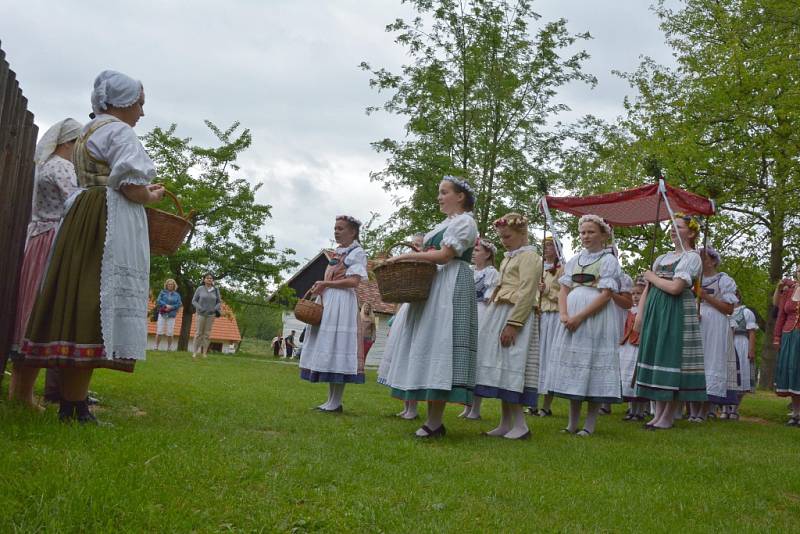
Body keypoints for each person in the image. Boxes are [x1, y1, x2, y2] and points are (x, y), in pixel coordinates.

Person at [20, 70, 165, 423]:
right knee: (96, 299)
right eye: (140, 104)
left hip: (83, 213)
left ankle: (73, 404)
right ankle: (75, 406)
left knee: (84, 296)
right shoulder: (118, 131)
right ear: (124, 102)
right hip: (107, 217)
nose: (142, 113)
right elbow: (130, 186)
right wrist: (150, 194)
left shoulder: (89, 131)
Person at [384, 176, 479, 438]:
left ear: (460, 196)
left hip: (451, 282)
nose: (439, 197)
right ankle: (432, 419)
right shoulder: (445, 224)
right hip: (435, 283)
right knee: (429, 342)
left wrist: (407, 255)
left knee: (442, 343)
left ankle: (435, 421)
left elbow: (446, 255)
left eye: (444, 192)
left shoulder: (465, 222)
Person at [8, 118, 82, 409]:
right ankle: (23, 394)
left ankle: (19, 391)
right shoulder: (62, 167)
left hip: (37, 238)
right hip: (51, 240)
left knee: (30, 309)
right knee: (38, 313)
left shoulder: (44, 165)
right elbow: (74, 202)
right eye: (78, 144)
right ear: (67, 143)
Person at [544, 214, 622, 437]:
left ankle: (589, 424)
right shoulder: (575, 259)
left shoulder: (608, 260)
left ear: (603, 234)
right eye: (583, 232)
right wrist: (565, 314)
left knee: (592, 362)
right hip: (571, 315)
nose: (586, 236)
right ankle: (571, 423)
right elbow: (564, 289)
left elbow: (606, 294)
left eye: (591, 232)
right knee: (575, 365)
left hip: (594, 318)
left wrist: (580, 317)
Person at [473, 213, 542, 439]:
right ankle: (505, 423)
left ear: (522, 234)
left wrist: (514, 324)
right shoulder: (508, 257)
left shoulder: (530, 256)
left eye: (508, 236)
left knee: (513, 364)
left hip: (515, 314)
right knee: (501, 365)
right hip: (500, 310)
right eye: (502, 237)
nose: (504, 241)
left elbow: (527, 291)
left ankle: (521, 425)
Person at [633, 213, 706, 430]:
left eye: (679, 227)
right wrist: (640, 314)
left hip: (676, 311)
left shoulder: (692, 257)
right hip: (657, 311)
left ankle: (668, 415)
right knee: (658, 355)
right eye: (672, 226)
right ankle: (658, 414)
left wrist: (652, 276)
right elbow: (648, 288)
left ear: (691, 232)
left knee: (671, 357)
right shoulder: (662, 258)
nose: (673, 230)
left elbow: (675, 288)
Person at [299, 215, 368, 412]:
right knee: (329, 347)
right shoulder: (338, 252)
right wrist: (320, 287)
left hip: (343, 303)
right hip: (329, 300)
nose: (336, 231)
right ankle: (331, 400)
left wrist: (327, 283)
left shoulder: (357, 253)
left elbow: (354, 282)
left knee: (339, 347)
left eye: (340, 228)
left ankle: (336, 401)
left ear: (352, 232)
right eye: (335, 228)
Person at [377, 233, 424, 420]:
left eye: (419, 244)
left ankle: (413, 407)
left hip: (419, 309)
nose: (414, 247)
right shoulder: (406, 268)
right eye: (413, 244)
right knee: (402, 356)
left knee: (411, 357)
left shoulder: (424, 266)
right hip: (406, 311)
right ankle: (406, 406)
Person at [696, 246, 738, 421]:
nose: (702, 262)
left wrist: (705, 297)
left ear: (713, 261)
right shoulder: (693, 279)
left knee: (710, 362)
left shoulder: (723, 280)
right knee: (695, 363)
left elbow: (728, 309)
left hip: (714, 324)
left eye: (705, 258)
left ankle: (704, 412)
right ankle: (692, 411)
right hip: (696, 321)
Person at [459, 236, 499, 419]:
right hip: (466, 311)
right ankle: (467, 405)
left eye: (477, 250)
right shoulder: (468, 271)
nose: (473, 254)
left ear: (488, 254)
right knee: (466, 358)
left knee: (478, 356)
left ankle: (475, 408)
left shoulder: (491, 273)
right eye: (473, 250)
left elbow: (489, 297)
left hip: (481, 313)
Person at [535, 236, 563, 418]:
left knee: (548, 357)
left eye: (550, 246)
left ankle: (546, 405)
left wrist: (547, 291)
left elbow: (564, 295)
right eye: (544, 246)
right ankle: (532, 402)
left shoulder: (562, 270)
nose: (546, 249)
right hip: (538, 314)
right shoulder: (538, 267)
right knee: (535, 358)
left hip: (553, 315)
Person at [772, 267, 800, 426]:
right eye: (799, 270)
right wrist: (777, 337)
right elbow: (780, 313)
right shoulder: (789, 291)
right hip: (789, 335)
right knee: (791, 371)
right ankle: (796, 413)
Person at [619, 276, 647, 420]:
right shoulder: (629, 310)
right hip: (628, 345)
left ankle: (640, 411)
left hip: (639, 346)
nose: (635, 297)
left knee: (637, 376)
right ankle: (631, 409)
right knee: (628, 375)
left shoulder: (646, 311)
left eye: (639, 294)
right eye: (634, 293)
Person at [727, 291, 757, 420]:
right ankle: (725, 409)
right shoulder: (724, 310)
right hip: (727, 343)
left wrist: (751, 350)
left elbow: (751, 332)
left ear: (738, 296)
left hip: (741, 344)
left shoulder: (746, 312)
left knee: (741, 376)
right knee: (727, 375)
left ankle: (734, 409)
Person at [191, 273, 221, 359]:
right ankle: (194, 353)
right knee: (198, 333)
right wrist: (200, 308)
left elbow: (219, 302)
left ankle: (204, 353)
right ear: (204, 279)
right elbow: (194, 301)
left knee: (207, 334)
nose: (209, 279)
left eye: (211, 278)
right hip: (201, 314)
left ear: (213, 280)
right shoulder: (200, 289)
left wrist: (215, 309)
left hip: (211, 315)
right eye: (207, 278)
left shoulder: (216, 289)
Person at [155, 279, 182, 351]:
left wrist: (172, 307)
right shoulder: (162, 292)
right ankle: (156, 347)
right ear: (166, 285)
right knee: (159, 331)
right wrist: (166, 305)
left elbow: (179, 304)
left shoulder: (177, 295)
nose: (170, 285)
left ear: (174, 285)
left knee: (170, 332)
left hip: (171, 314)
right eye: (169, 284)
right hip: (162, 313)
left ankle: (169, 348)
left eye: (171, 284)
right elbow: (158, 300)